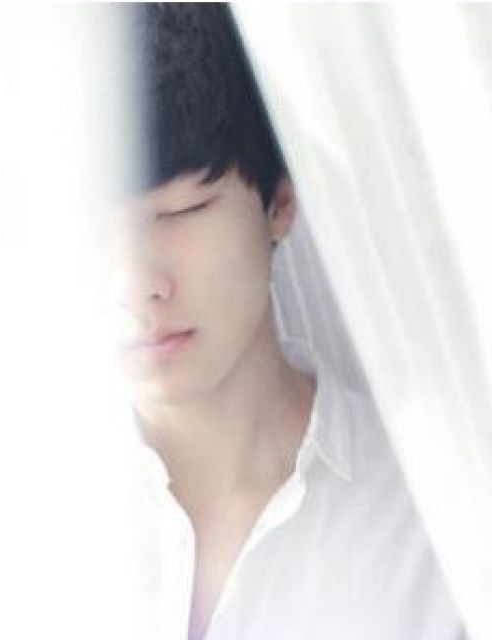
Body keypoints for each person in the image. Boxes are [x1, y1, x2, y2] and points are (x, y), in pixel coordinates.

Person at [104, 4, 466, 639]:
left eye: (181, 212)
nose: (138, 285)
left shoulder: (436, 510)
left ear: (279, 204)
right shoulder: (16, 512)